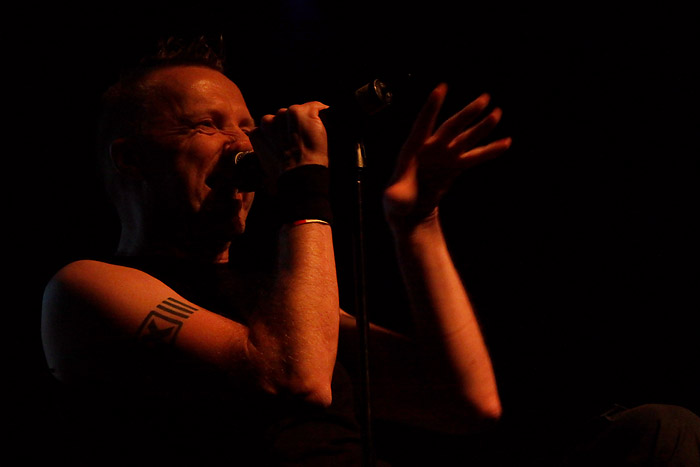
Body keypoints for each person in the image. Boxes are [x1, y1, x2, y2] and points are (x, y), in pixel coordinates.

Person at [40, 37, 508, 465]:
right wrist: (303, 185)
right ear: (130, 158)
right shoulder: (86, 288)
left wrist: (416, 224)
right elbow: (294, 378)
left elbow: (464, 401)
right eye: (206, 126)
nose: (243, 145)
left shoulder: (278, 297)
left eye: (247, 128)